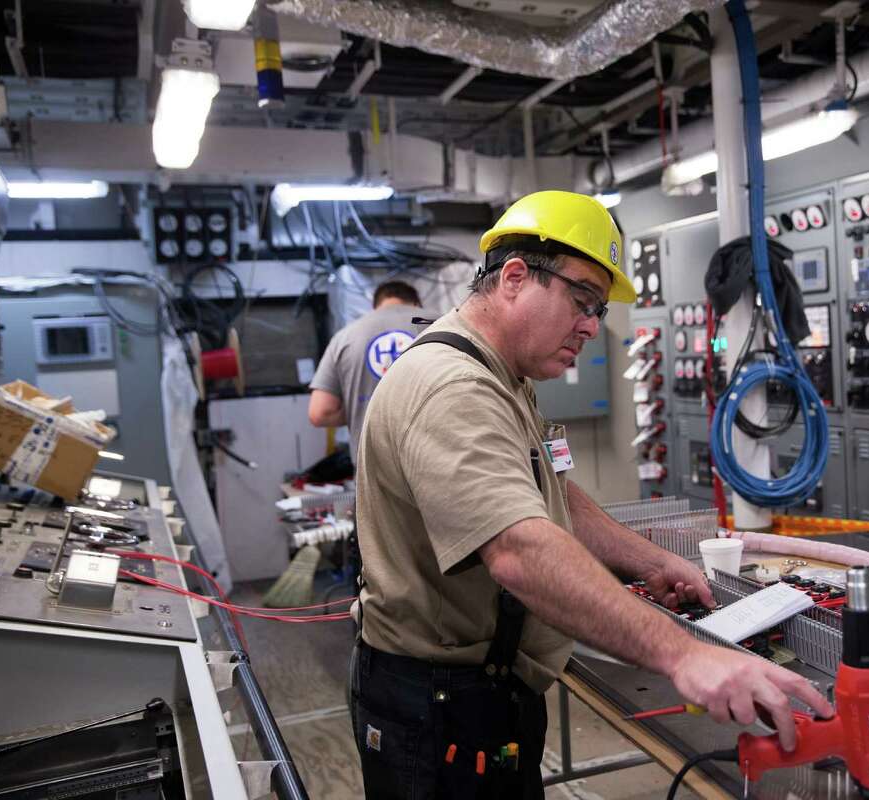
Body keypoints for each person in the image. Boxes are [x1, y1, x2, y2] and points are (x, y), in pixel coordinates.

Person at [350, 190, 834, 799]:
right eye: (581, 301)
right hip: (437, 708)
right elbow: (520, 550)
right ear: (516, 278)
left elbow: (548, 491)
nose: (590, 326)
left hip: (477, 696)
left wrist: (648, 558)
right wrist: (685, 655)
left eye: (597, 310)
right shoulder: (455, 389)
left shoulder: (503, 375)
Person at [308, 280, 422, 465]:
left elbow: (319, 412)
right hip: (435, 466)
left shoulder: (345, 337)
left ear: (375, 306)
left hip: (374, 469)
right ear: (416, 303)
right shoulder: (441, 323)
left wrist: (360, 409)